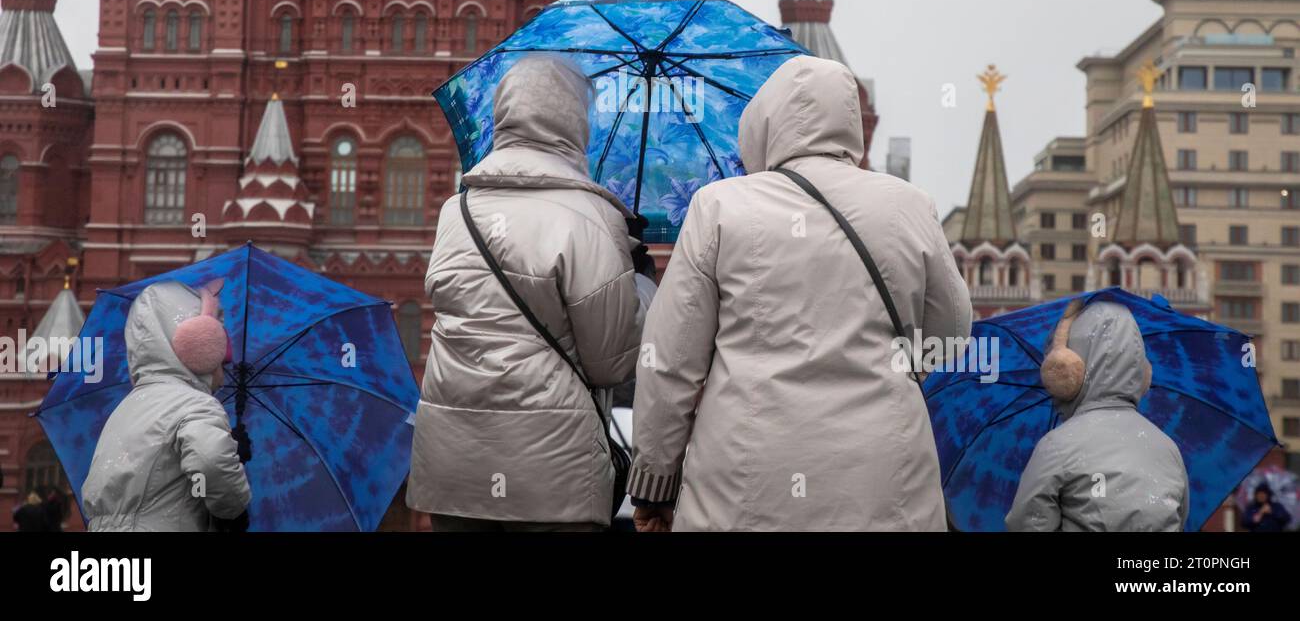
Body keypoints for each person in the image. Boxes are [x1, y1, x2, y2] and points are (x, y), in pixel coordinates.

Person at [628, 55, 972, 531]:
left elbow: (669, 362)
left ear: (765, 123)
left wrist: (655, 483)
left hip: (744, 484)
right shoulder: (909, 205)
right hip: (883, 482)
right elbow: (952, 327)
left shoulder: (721, 206)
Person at [407, 55, 648, 531]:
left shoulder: (457, 211)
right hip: (551, 476)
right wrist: (637, 280)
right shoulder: (591, 216)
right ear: (575, 119)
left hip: (454, 472)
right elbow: (611, 363)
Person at [81, 280, 252, 532]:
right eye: (221, 361)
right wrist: (233, 508)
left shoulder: (125, 410)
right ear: (199, 347)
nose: (224, 374)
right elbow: (211, 461)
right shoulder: (195, 403)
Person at [1006, 299, 1189, 531]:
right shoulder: (1169, 450)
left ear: (1069, 370)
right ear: (1141, 373)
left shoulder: (1057, 446)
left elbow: (1028, 524)